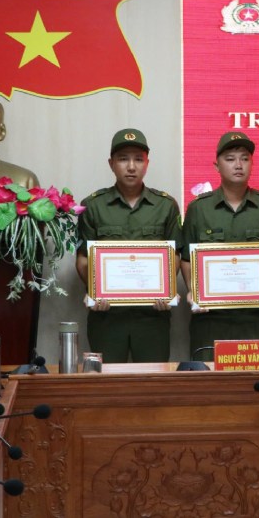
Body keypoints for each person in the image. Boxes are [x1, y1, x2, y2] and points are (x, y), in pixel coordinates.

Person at [75, 128, 182, 363]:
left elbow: (174, 254)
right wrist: (95, 290)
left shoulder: (166, 205)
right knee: (107, 386)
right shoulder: (93, 205)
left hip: (152, 315)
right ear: (111, 163)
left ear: (147, 163)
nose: (131, 166)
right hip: (107, 316)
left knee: (152, 385)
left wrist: (165, 288)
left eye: (138, 159)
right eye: (123, 159)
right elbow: (82, 258)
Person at [182, 131, 259, 360]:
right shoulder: (199, 209)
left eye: (245, 158)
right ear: (216, 166)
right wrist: (195, 291)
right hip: (210, 319)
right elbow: (186, 258)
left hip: (255, 318)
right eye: (230, 159)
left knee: (255, 382)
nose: (238, 165)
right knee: (209, 386)